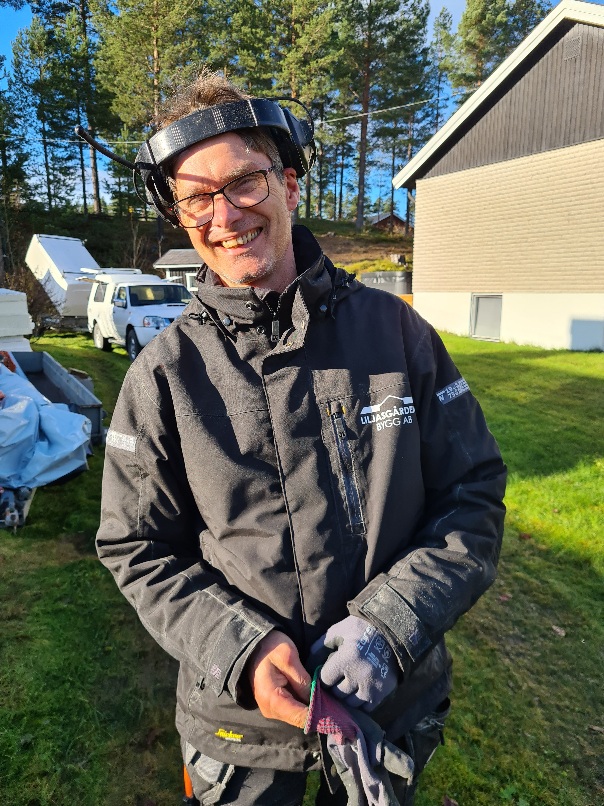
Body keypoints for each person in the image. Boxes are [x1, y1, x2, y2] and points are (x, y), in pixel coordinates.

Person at [96, 70, 507, 806]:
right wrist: (242, 649)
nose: (225, 215)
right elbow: (136, 547)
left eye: (245, 182)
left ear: (289, 184)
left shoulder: (398, 336)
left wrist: (392, 624)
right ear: (181, 216)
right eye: (197, 197)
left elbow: (472, 497)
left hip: (390, 709)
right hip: (241, 736)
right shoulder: (162, 376)